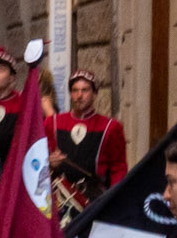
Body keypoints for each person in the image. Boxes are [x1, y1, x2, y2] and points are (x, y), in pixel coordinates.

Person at [50, 67, 128, 223]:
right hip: (59, 199)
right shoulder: (53, 123)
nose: (79, 95)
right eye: (75, 90)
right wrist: (49, 162)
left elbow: (118, 168)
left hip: (93, 201)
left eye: (85, 90)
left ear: (95, 93)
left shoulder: (111, 127)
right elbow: (36, 160)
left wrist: (114, 199)